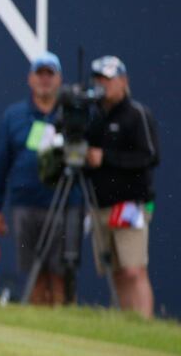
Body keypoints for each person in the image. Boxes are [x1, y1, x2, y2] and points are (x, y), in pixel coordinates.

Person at [0, 52, 81, 305]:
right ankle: (40, 330)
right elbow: (1, 161)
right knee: (34, 273)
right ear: (30, 79)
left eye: (50, 74)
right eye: (40, 74)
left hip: (65, 202)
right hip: (26, 203)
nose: (45, 80)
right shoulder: (14, 115)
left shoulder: (74, 114)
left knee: (60, 273)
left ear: (59, 79)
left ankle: (62, 328)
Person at [86, 55, 159, 319]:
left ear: (123, 81)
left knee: (134, 269)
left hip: (130, 205)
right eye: (98, 79)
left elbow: (149, 156)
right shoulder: (94, 118)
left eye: (108, 79)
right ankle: (129, 323)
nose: (102, 85)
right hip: (100, 205)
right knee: (116, 270)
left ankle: (144, 323)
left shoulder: (136, 113)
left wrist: (106, 157)